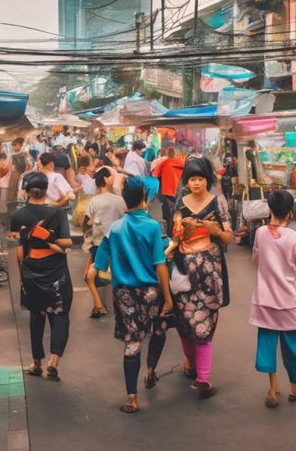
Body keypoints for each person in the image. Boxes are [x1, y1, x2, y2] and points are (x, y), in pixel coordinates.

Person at [93, 176, 172, 414]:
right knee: (159, 329)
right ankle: (150, 370)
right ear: (145, 199)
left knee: (132, 344)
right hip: (150, 292)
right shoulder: (152, 227)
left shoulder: (115, 229)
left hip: (124, 294)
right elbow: (160, 264)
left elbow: (98, 264)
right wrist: (167, 297)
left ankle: (132, 398)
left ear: (125, 202)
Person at [168, 156, 233, 399]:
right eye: (192, 179)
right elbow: (175, 237)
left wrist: (213, 229)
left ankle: (203, 379)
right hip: (184, 271)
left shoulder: (218, 202)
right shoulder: (180, 203)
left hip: (210, 275)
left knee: (205, 327)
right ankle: (189, 361)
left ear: (208, 180)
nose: (196, 183)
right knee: (184, 324)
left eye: (200, 179)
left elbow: (228, 238)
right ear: (186, 181)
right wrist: (184, 229)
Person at [250, 190, 296, 408]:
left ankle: (273, 389)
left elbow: (255, 259)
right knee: (295, 346)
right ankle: (295, 389)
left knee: (267, 343)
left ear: (269, 209)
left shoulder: (260, 233)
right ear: (290, 213)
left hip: (264, 300)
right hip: (289, 301)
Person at [12, 172, 74, 380]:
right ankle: (54, 361)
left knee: (36, 315)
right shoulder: (57, 213)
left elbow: (20, 251)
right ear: (47, 189)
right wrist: (54, 242)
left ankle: (36, 362)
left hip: (32, 270)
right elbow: (66, 241)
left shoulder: (18, 216)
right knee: (60, 313)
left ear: (27, 190)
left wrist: (23, 275)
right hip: (56, 271)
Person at [83, 168, 127, 318]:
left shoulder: (94, 201)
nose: (114, 179)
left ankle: (100, 305)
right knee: (115, 275)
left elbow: (85, 223)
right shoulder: (120, 200)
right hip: (118, 243)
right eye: (112, 177)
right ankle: (112, 305)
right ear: (106, 179)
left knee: (94, 277)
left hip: (99, 243)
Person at [152, 146, 184, 229]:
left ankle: (170, 231)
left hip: (167, 192)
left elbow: (155, 175)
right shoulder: (179, 162)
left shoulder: (162, 163)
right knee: (178, 210)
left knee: (167, 213)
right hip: (179, 191)